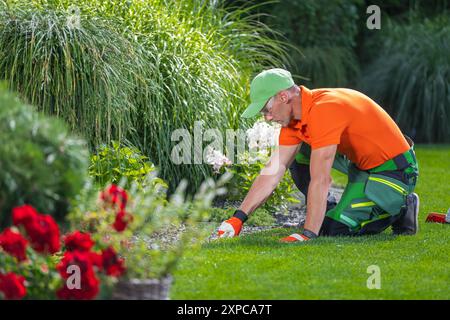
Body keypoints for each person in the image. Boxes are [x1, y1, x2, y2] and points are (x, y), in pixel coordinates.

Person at [217, 68, 419, 242]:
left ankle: (402, 208)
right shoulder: (294, 119)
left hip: (394, 171)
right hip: (362, 166)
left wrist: (309, 233)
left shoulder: (324, 111)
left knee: (334, 230)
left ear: (283, 97)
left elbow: (321, 179)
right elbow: (272, 172)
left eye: (266, 110)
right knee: (298, 156)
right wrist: (237, 218)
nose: (267, 117)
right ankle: (329, 210)